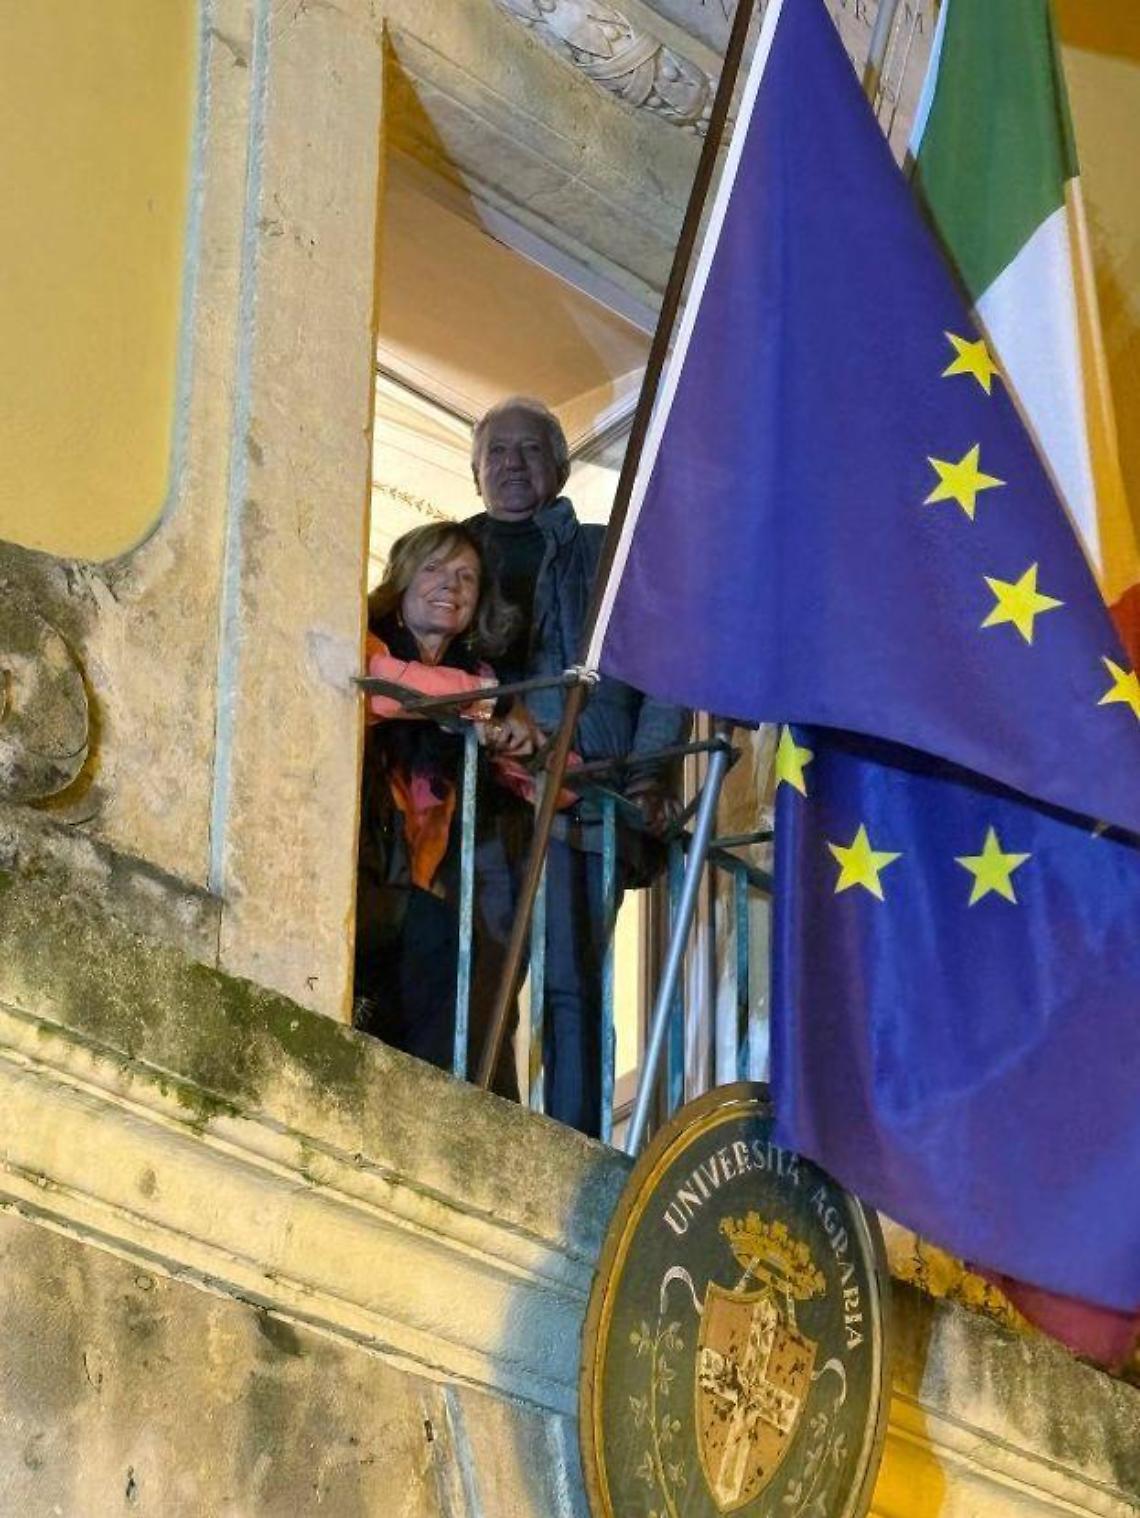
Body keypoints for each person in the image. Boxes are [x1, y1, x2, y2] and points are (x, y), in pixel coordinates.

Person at [465, 397, 690, 1137]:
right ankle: (481, 1130)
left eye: (530, 450)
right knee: (482, 976)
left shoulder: (607, 556)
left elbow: (663, 670)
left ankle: (572, 1145)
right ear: (475, 471)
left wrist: (649, 776)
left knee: (572, 986)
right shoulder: (449, 556)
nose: (512, 464)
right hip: (484, 800)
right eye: (497, 451)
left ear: (560, 469)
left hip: (586, 799)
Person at [354, 522, 533, 1098]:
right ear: (403, 578)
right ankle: (453, 1105)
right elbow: (385, 687)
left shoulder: (477, 682)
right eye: (433, 568)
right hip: (354, 873)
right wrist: (492, 707)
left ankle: (477, 1111)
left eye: (466, 578)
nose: (450, 586)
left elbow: (538, 771)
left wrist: (530, 742)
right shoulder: (366, 638)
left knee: (480, 971)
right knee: (449, 944)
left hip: (417, 882)